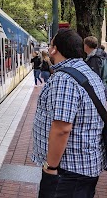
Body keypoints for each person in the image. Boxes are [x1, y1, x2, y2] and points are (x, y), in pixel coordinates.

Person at [32, 29, 106, 198]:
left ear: (54, 49)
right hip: (83, 167)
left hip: (68, 171)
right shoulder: (89, 73)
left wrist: (51, 167)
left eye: (51, 45)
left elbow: (62, 128)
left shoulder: (64, 79)